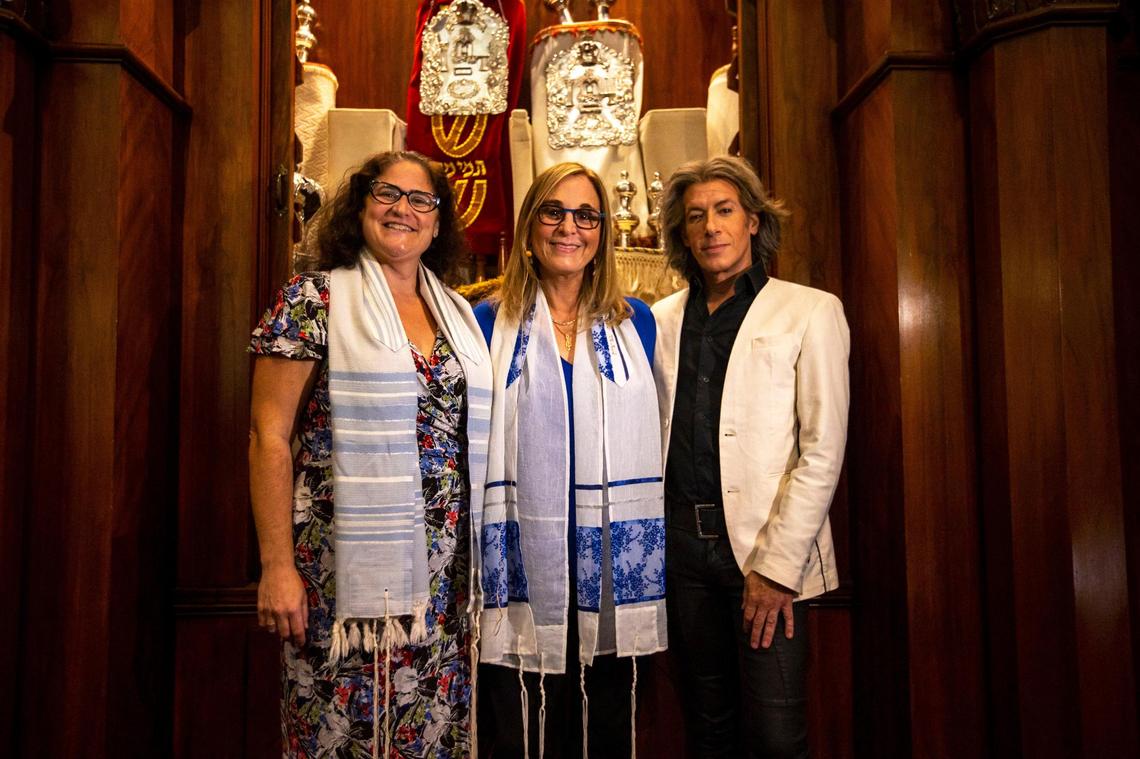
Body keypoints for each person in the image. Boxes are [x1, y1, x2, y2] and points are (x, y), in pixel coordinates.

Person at [248, 150, 493, 758]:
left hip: (441, 584)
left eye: (420, 201)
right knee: (340, 734)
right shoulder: (314, 300)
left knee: (429, 734)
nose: (402, 210)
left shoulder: (456, 312)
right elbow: (268, 436)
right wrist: (277, 566)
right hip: (340, 576)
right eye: (387, 194)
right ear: (360, 206)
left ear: (438, 224)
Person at [651, 156, 850, 758]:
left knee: (774, 736)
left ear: (754, 222)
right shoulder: (658, 321)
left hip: (766, 556)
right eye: (695, 217)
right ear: (683, 234)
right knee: (706, 727)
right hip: (682, 551)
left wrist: (776, 569)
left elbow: (822, 449)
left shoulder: (810, 311)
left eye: (725, 210)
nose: (711, 226)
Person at [473, 162, 667, 758]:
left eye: (586, 215)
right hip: (520, 550)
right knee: (520, 719)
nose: (569, 228)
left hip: (608, 552)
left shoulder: (639, 323)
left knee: (603, 714)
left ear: (604, 231)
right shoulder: (486, 321)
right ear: (531, 227)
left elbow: (659, 430)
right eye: (553, 212)